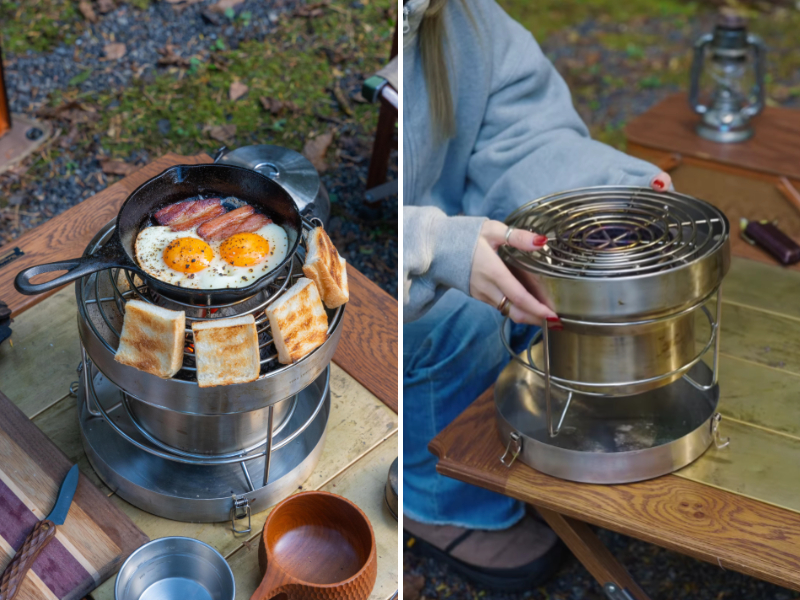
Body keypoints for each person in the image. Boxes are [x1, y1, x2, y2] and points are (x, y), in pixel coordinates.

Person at [402, 0, 672, 590]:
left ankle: (513, 421)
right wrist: (433, 244)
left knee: (538, 277)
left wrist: (608, 194)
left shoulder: (467, 23)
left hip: (444, 222)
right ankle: (434, 498)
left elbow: (526, 137)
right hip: (395, 282)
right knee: (465, 323)